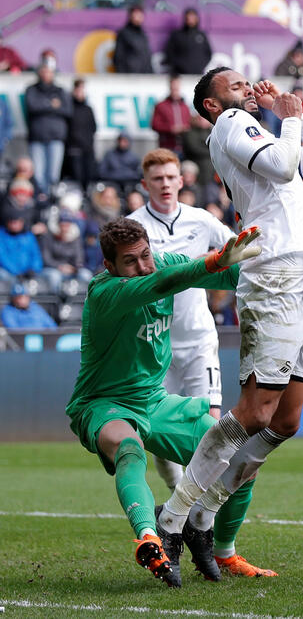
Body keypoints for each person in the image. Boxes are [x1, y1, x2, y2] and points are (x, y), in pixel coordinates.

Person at [153, 69, 303, 560]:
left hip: (302, 280)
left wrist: (291, 113)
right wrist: (286, 121)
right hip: (275, 277)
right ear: (212, 106)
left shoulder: (258, 132)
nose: (245, 87)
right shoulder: (232, 123)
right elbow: (284, 167)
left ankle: (204, 513)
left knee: (284, 421)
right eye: (234, 85)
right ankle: (174, 517)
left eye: (246, 82)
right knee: (254, 413)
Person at [65, 217, 264, 587]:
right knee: (129, 449)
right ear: (110, 266)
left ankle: (219, 547)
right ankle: (149, 536)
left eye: (146, 255)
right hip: (104, 403)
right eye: (130, 261)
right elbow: (161, 284)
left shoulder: (163, 262)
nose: (143, 265)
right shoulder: (103, 293)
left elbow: (225, 278)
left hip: (155, 402)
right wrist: (213, 260)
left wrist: (276, 273)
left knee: (240, 459)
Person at [126, 149, 235, 497]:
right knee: (158, 437)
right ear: (145, 184)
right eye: (157, 179)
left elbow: (235, 249)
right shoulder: (132, 226)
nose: (165, 184)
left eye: (171, 177)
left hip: (199, 337)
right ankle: (178, 494)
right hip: (154, 346)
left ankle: (198, 508)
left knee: (211, 427)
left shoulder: (201, 220)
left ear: (182, 180)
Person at [24, 64, 71, 196]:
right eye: (43, 71)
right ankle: (41, 200)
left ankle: (52, 202)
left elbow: (67, 111)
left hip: (56, 137)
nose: (46, 74)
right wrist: (51, 105)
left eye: (49, 72)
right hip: (36, 137)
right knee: (38, 174)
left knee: (53, 174)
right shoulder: (32, 89)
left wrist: (44, 105)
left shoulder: (60, 91)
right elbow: (32, 106)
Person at [64, 79, 98, 189]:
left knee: (89, 175)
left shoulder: (88, 109)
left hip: (87, 148)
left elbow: (93, 127)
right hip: (74, 148)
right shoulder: (69, 109)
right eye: (78, 90)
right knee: (77, 176)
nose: (80, 93)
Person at [163, 8, 213, 76]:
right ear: (185, 18)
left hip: (197, 75)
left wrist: (200, 66)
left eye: (193, 17)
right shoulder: (177, 35)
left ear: (197, 19)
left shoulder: (201, 35)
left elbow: (208, 54)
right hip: (179, 75)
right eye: (188, 17)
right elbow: (169, 53)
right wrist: (179, 66)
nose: (190, 19)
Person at [151, 75, 192, 155]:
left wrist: (186, 128)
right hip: (167, 146)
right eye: (173, 88)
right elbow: (155, 125)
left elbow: (189, 123)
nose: (175, 90)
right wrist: (171, 129)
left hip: (184, 147)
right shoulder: (161, 105)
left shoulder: (185, 106)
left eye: (177, 88)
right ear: (169, 87)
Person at [113, 6, 153, 74]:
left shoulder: (143, 34)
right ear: (130, 16)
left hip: (144, 76)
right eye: (136, 14)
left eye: (140, 15)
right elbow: (118, 57)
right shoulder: (124, 33)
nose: (138, 17)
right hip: (129, 77)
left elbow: (146, 56)